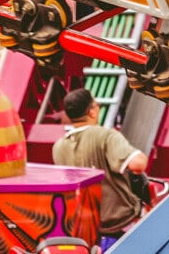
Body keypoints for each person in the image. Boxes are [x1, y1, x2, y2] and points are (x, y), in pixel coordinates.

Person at [53, 88, 148, 252]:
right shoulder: (106, 136)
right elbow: (137, 165)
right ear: (91, 112)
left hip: (87, 231)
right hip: (121, 226)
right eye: (97, 106)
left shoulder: (58, 147)